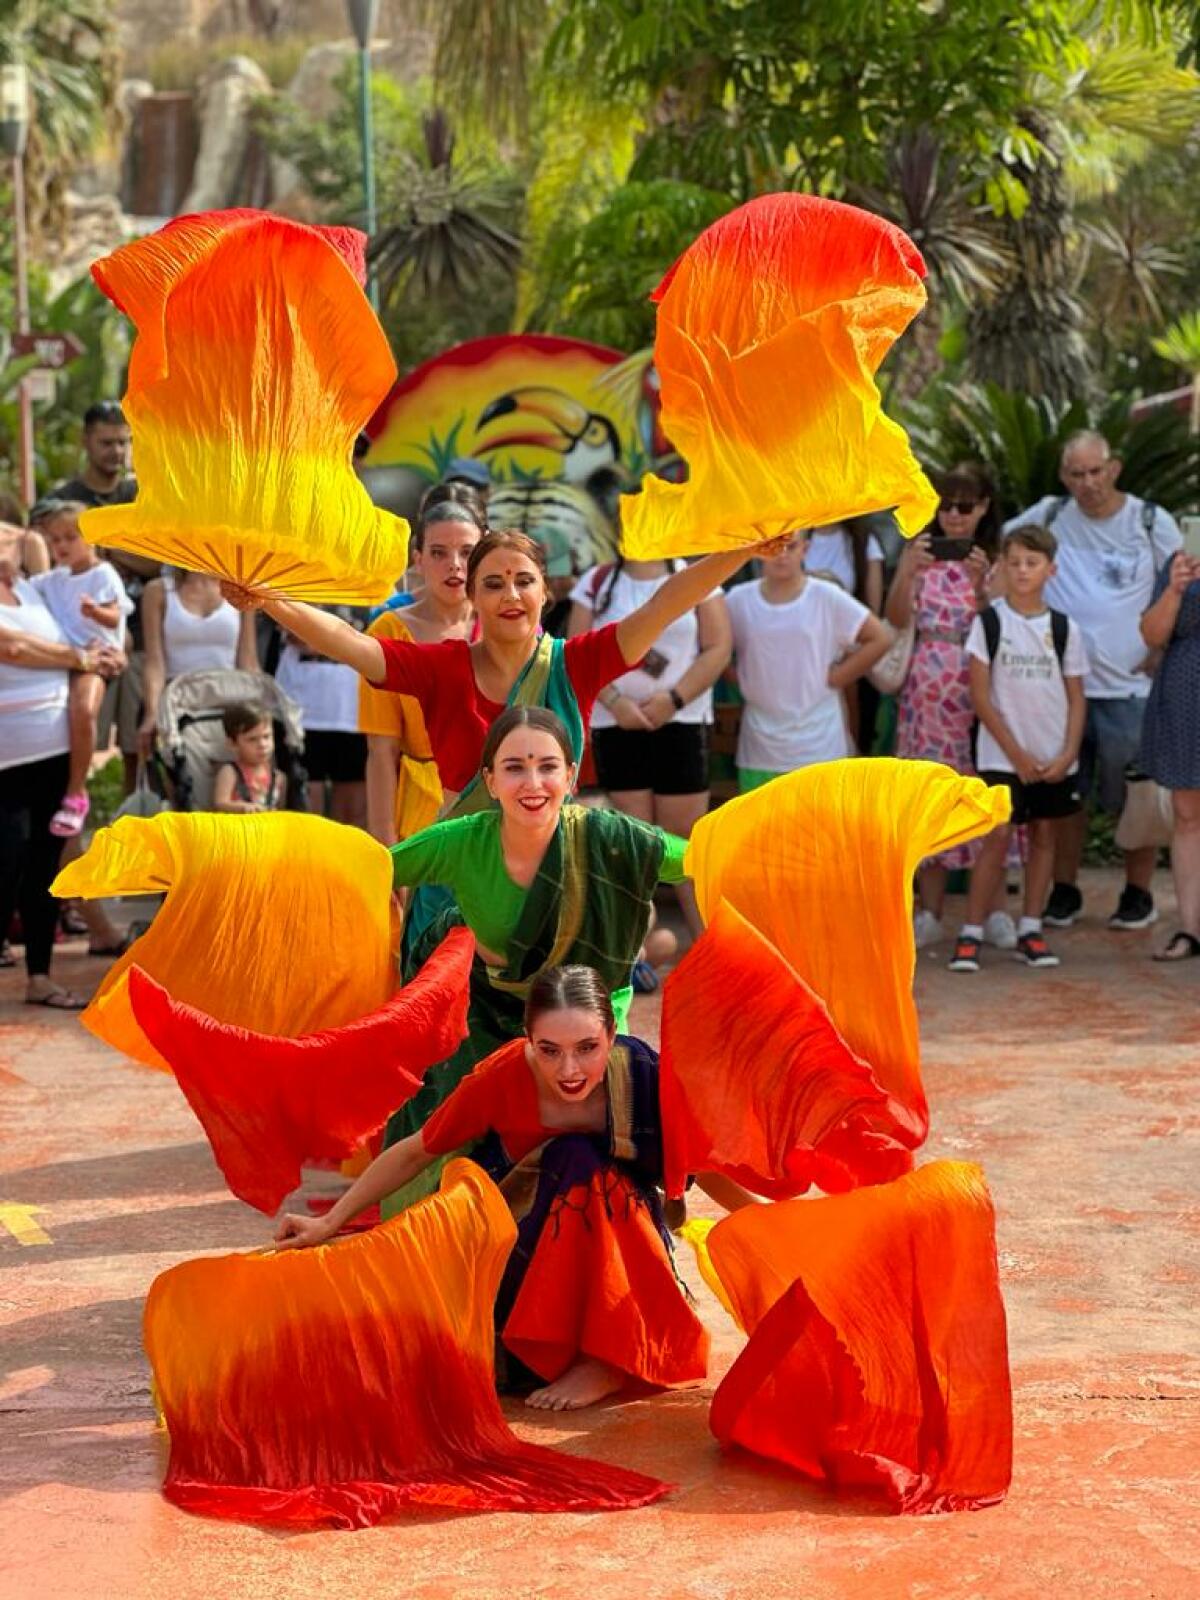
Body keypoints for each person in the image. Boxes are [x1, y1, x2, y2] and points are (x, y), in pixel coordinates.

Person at [274, 963, 752, 1411]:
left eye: (587, 1048)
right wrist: (330, 1221)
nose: (569, 1071)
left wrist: (759, 1226)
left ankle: (605, 1359)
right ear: (528, 1041)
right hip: (525, 1236)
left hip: (624, 1246)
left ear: (612, 1035)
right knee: (571, 1159)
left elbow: (701, 1164)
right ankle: (544, 1344)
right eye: (550, 1050)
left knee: (581, 1159)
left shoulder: (645, 1076)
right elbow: (417, 1150)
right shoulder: (501, 1077)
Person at [222, 530, 775, 818]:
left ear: (545, 592)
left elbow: (665, 603)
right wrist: (268, 598)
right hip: (462, 874)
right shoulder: (441, 667)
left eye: (523, 581)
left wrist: (745, 550)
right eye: (492, 583)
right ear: (471, 595)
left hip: (555, 872)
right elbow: (351, 644)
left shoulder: (578, 663)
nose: (510, 595)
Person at [381, 705, 696, 1207]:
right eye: (514, 767)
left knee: (626, 1129)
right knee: (449, 1157)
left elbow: (707, 856)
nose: (533, 782)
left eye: (548, 766)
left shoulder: (613, 842)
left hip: (592, 1027)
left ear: (570, 776)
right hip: (492, 1022)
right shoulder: (461, 842)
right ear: (489, 778)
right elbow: (369, 872)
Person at [1006, 431, 1183, 931]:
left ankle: (1138, 893)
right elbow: (1006, 553)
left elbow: (1184, 587)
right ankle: (1064, 891)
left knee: (1137, 798)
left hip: (1131, 690)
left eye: (1095, 471)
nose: (1088, 483)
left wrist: (1162, 649)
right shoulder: (1048, 517)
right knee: (1065, 797)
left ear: (1115, 468)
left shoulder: (1151, 522)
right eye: (1076, 474)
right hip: (1062, 689)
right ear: (1065, 477)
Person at [567, 551, 732, 938]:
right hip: (616, 724)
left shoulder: (696, 576)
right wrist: (615, 702)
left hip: (683, 722)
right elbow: (575, 650)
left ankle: (712, 947)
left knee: (686, 842)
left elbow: (719, 646)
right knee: (632, 844)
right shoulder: (597, 582)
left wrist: (672, 699)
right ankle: (633, 953)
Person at [948, 527, 1088, 972]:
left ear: (1052, 569)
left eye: (1032, 563)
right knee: (998, 836)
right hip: (1001, 756)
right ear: (1002, 567)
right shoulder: (988, 624)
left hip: (1052, 757)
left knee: (1045, 836)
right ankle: (971, 931)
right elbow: (982, 698)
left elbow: (1076, 697)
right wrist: (1016, 756)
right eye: (1015, 562)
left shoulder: (1065, 629)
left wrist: (1066, 754)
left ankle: (1031, 927)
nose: (1023, 571)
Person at [887, 463, 1004, 949]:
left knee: (986, 791)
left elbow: (1002, 622)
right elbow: (893, 618)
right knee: (929, 794)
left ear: (982, 509)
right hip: (926, 689)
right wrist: (907, 570)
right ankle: (930, 911)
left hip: (982, 685)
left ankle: (991, 909)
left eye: (964, 506)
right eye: (946, 505)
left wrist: (982, 585)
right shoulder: (920, 557)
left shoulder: (996, 560)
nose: (954, 517)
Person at [0, 548, 124, 1006]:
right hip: (6, 757)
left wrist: (103, 656)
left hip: (55, 749)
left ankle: (39, 976)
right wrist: (81, 659)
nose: (6, 543)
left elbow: (87, 631)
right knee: (6, 862)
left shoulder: (32, 589)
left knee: (43, 866)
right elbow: (12, 647)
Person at [360, 486, 484, 846]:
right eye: (439, 553)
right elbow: (381, 751)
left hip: (497, 808)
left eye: (467, 552)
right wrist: (385, 842)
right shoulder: (388, 632)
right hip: (419, 814)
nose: (455, 565)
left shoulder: (505, 623)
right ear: (418, 558)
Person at [725, 530, 889, 791]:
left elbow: (879, 638)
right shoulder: (737, 600)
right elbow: (712, 646)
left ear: (806, 549)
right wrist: (736, 677)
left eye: (790, 546)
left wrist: (838, 677)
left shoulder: (826, 596)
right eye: (772, 547)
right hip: (760, 747)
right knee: (762, 831)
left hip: (819, 745)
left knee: (821, 832)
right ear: (758, 550)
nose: (782, 555)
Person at [50, 401, 153, 795]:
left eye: (124, 443)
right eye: (107, 442)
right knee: (79, 738)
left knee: (134, 744)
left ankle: (124, 817)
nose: (117, 451)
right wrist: (123, 549)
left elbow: (157, 562)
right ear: (86, 441)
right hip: (81, 642)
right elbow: (53, 563)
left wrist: (99, 546)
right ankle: (76, 816)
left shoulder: (140, 497)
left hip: (141, 636)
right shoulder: (61, 501)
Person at [26, 503, 132, 838]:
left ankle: (76, 792)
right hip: (64, 660)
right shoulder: (54, 579)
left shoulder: (103, 574)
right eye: (55, 539)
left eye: (70, 537)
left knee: (84, 709)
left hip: (96, 659)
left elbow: (117, 617)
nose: (61, 546)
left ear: (91, 538)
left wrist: (95, 612)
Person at [1138, 550, 1200, 961]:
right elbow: (1153, 634)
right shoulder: (1183, 562)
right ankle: (1191, 930)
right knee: (1187, 813)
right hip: (1187, 700)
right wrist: (1176, 588)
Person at [137, 569, 258, 756]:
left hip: (227, 698)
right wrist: (153, 713)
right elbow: (155, 662)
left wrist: (259, 712)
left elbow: (248, 660)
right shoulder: (158, 591)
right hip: (178, 699)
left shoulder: (240, 589)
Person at [275, 604, 372, 826]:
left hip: (354, 712)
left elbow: (378, 635)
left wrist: (329, 637)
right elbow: (301, 634)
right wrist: (350, 639)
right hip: (300, 714)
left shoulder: (374, 580)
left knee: (352, 817)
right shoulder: (300, 576)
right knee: (306, 814)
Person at [212, 703, 287, 814]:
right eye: (252, 739)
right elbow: (220, 803)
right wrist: (243, 807)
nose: (262, 744)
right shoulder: (230, 772)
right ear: (232, 744)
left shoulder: (279, 777)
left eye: (266, 736)